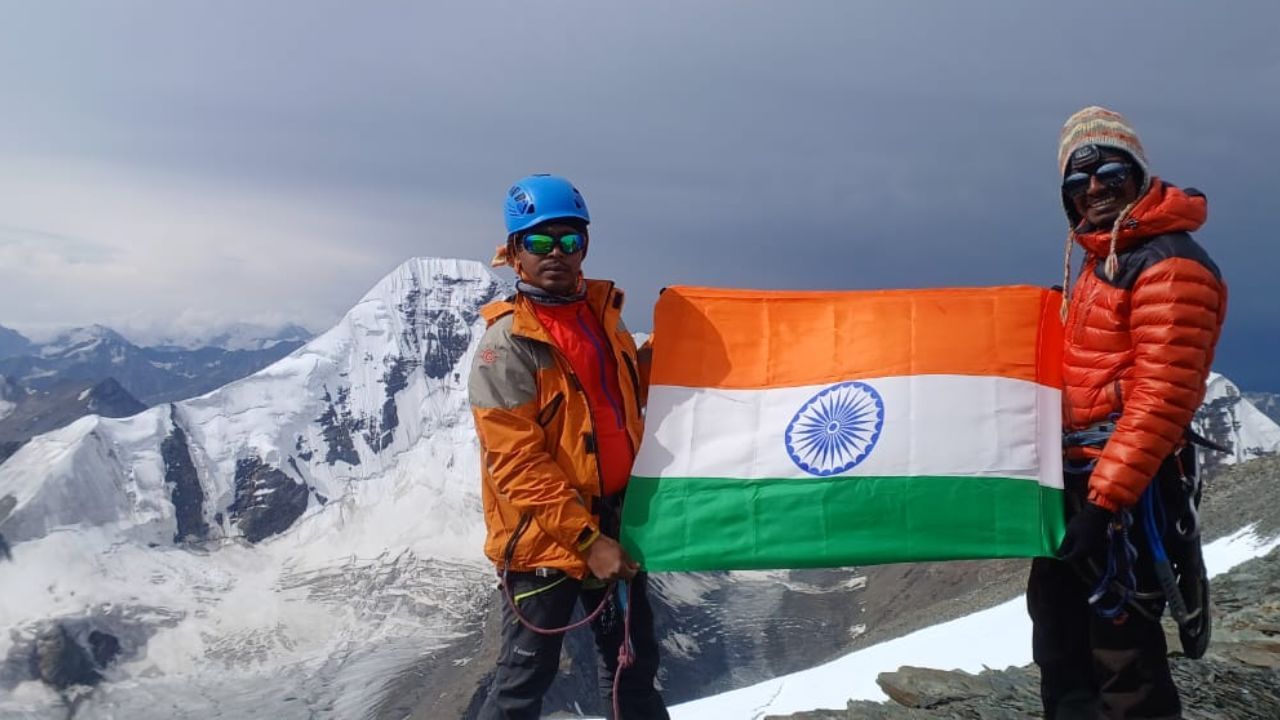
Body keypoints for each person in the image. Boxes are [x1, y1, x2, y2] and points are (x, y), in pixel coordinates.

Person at [1028, 106, 1228, 719]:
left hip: (1125, 496)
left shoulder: (1170, 264)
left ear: (1138, 173)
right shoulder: (1100, 261)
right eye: (1076, 181)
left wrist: (1103, 504)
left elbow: (1161, 400)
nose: (1093, 187)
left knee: (1122, 650)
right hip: (1076, 482)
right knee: (1061, 635)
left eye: (1109, 169)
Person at [469, 173, 669, 720]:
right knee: (521, 684)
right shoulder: (505, 346)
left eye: (568, 240)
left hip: (614, 522)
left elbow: (629, 392)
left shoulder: (605, 320)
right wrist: (586, 540)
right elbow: (515, 462)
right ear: (514, 252)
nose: (555, 253)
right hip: (544, 544)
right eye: (538, 242)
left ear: (585, 246)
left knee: (633, 669)